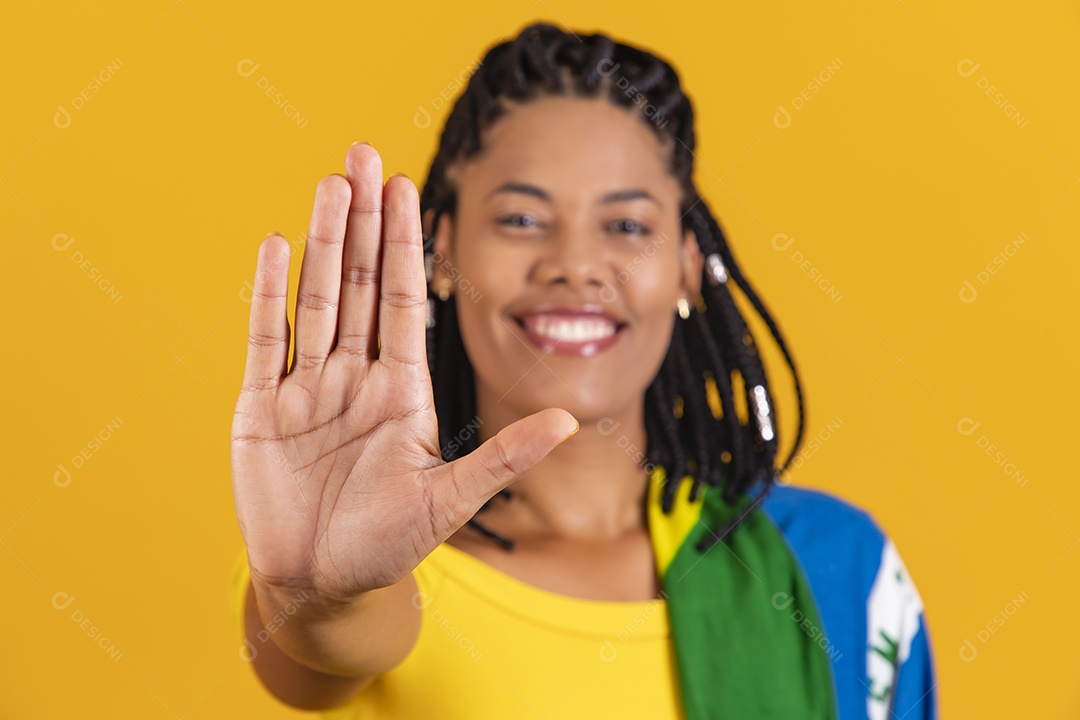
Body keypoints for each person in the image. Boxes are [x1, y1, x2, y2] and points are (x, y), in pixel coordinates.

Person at [228, 22, 938, 719]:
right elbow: (327, 641)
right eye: (522, 220)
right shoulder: (375, 550)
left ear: (689, 268)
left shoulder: (836, 568)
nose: (574, 265)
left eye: (627, 226)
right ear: (440, 253)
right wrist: (318, 596)